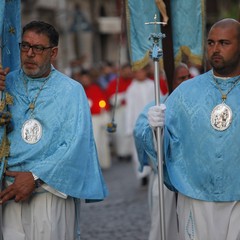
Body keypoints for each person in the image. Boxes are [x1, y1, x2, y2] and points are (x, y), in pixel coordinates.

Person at [0, 21, 108, 240]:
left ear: (53, 52)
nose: (30, 54)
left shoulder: (71, 91)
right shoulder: (5, 84)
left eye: (38, 48)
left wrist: (35, 177)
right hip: (9, 192)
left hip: (50, 192)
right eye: (25, 46)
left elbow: (76, 144)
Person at [134, 18, 240, 240]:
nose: (215, 49)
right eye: (210, 43)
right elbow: (163, 147)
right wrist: (154, 129)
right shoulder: (184, 93)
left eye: (224, 43)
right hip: (196, 193)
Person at [75, 69, 112, 170]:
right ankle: (94, 166)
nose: (85, 80)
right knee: (93, 142)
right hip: (87, 119)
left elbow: (104, 101)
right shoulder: (78, 90)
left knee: (102, 141)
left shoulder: (96, 88)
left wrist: (103, 108)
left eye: (87, 78)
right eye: (83, 79)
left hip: (99, 118)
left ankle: (103, 163)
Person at [125, 64, 155, 186]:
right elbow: (129, 109)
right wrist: (129, 127)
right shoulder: (131, 89)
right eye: (138, 72)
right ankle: (142, 174)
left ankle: (152, 169)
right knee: (137, 149)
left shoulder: (152, 85)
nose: (140, 74)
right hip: (137, 123)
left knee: (152, 146)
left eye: (142, 71)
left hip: (151, 121)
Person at [106, 63, 133, 161]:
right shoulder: (114, 83)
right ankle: (121, 153)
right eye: (125, 71)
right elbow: (111, 98)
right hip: (119, 111)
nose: (128, 73)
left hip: (130, 110)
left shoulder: (134, 82)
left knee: (129, 131)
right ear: (121, 72)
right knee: (119, 133)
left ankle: (129, 153)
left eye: (129, 71)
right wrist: (122, 96)